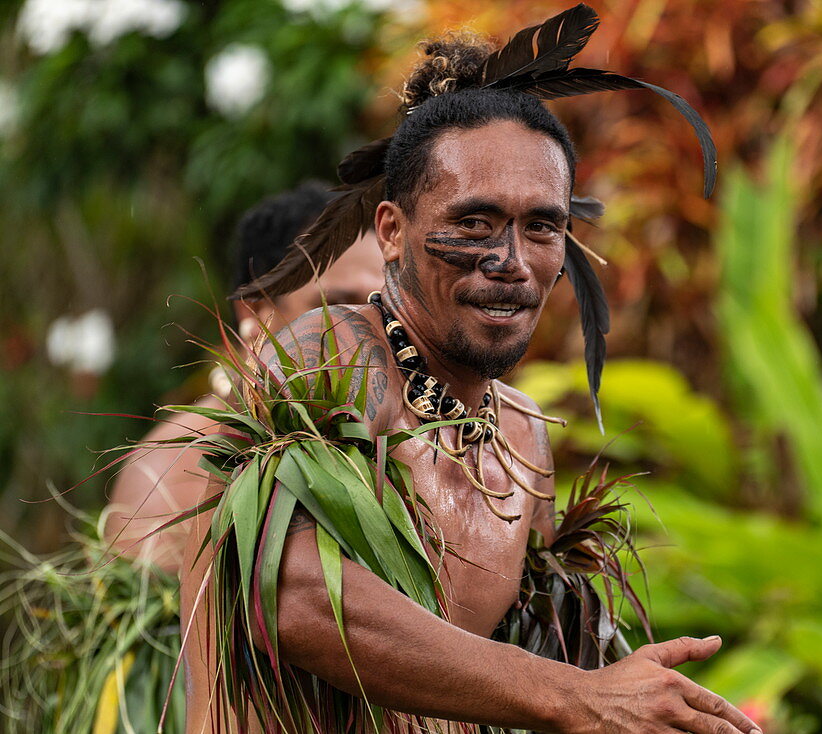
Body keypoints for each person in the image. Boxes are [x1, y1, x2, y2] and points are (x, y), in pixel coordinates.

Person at [179, 7, 759, 733]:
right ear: (391, 231)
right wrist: (575, 696)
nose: (510, 263)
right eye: (473, 223)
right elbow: (291, 597)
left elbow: (515, 680)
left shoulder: (523, 439)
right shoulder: (327, 353)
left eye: (541, 226)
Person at [105, 182, 384, 573]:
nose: (368, 329)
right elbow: (177, 625)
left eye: (380, 307)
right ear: (255, 312)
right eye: (336, 305)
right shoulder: (171, 467)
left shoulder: (403, 438)